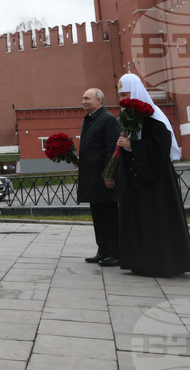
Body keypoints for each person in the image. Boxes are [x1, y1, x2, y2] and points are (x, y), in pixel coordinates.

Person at [115, 73, 190, 277]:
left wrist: (133, 145)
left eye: (126, 93)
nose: (123, 98)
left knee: (158, 219)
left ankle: (164, 262)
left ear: (135, 92)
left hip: (156, 180)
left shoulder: (154, 117)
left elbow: (161, 148)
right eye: (120, 94)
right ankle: (141, 261)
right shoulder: (130, 117)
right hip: (137, 179)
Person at [77, 88, 121, 267]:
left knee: (109, 215)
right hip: (91, 177)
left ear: (99, 101)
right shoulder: (90, 119)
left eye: (87, 98)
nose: (83, 101)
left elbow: (112, 149)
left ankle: (117, 252)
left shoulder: (108, 120)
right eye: (83, 98)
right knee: (98, 215)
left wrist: (109, 174)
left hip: (103, 178)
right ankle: (103, 249)